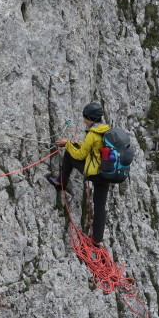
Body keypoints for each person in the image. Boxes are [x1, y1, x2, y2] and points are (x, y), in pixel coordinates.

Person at [46, 102, 112, 246]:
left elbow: (80, 156)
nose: (83, 120)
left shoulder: (92, 134)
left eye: (85, 118)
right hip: (107, 173)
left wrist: (67, 144)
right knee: (100, 206)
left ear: (91, 119)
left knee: (69, 155)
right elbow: (94, 149)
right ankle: (97, 240)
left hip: (94, 173)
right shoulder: (106, 130)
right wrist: (76, 144)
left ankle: (60, 182)